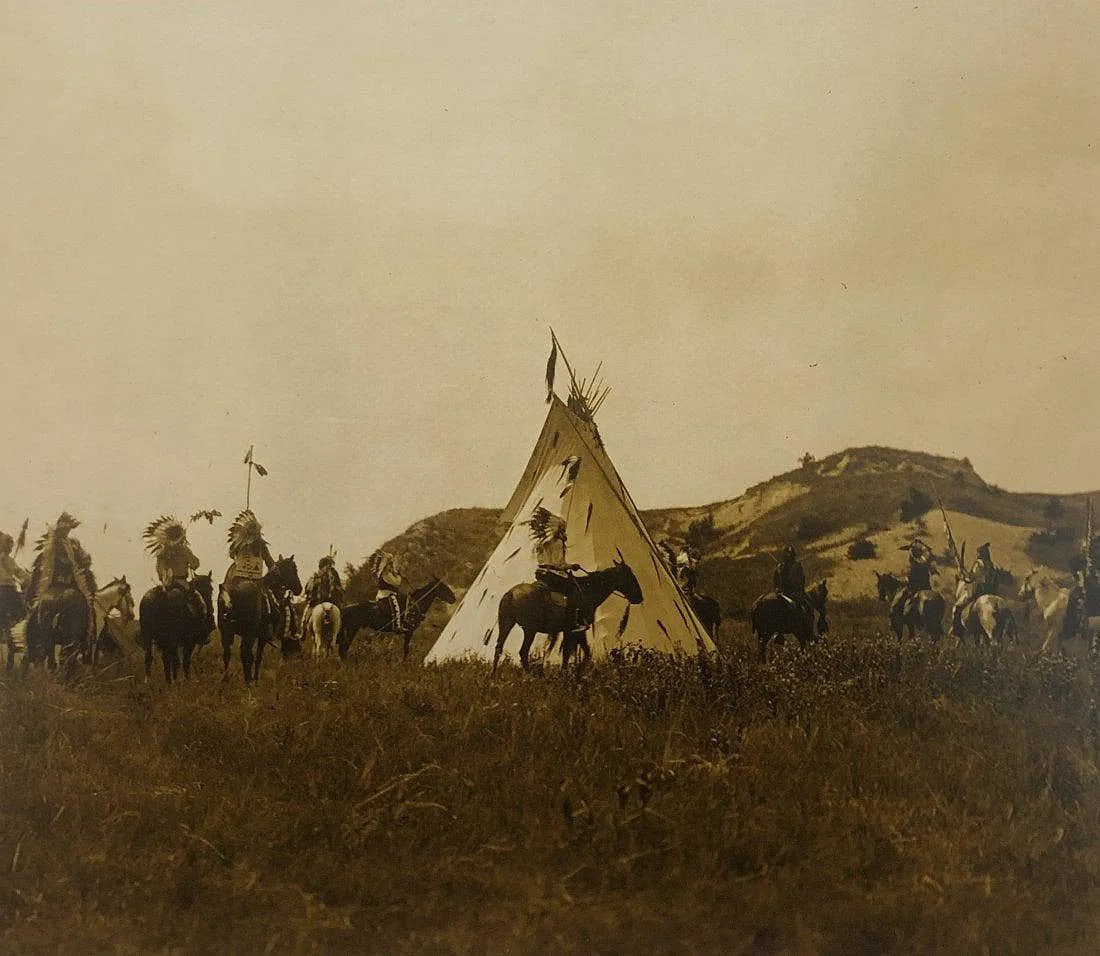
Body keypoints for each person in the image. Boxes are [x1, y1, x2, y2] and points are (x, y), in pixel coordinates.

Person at [26, 512, 97, 644]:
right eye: (64, 529)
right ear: (59, 528)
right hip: (53, 583)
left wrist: (82, 562)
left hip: (71, 583)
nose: (66, 531)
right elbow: (47, 566)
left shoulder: (72, 544)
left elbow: (80, 561)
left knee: (88, 605)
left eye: (68, 529)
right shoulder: (51, 544)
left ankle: (87, 639)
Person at [143, 515, 206, 629]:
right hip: (182, 583)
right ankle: (201, 630)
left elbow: (159, 569)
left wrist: (164, 579)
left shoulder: (161, 552)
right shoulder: (184, 549)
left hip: (165, 584)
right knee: (199, 601)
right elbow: (195, 564)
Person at [0, 531, 29, 654]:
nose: (11, 548)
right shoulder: (4, 558)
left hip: (8, 589)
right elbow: (16, 571)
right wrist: (26, 579)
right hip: (6, 590)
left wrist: (25, 578)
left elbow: (17, 571)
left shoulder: (6, 558)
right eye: (9, 545)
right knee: (21, 613)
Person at [301, 555, 344, 638]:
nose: (328, 568)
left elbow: (339, 587)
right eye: (326, 566)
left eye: (329, 565)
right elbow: (308, 588)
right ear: (321, 567)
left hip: (331, 601)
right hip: (316, 602)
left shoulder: (333, 575)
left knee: (341, 615)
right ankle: (303, 632)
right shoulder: (315, 576)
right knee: (305, 616)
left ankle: (341, 633)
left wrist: (335, 587)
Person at [369, 550, 405, 631]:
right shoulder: (386, 574)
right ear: (386, 564)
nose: (391, 565)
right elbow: (396, 582)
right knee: (396, 606)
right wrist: (398, 575)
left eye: (391, 563)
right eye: (390, 563)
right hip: (386, 594)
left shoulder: (388, 573)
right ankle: (397, 626)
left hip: (388, 593)